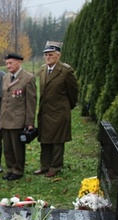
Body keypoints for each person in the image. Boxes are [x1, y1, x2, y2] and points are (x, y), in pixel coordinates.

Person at [34, 41, 79, 178]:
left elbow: (73, 91)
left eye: (51, 55)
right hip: (45, 111)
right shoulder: (42, 70)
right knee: (45, 140)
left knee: (57, 141)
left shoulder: (65, 71)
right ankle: (44, 165)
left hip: (59, 111)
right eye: (46, 55)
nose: (48, 57)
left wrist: (66, 106)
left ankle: (55, 166)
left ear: (58, 56)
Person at [0, 53, 37, 181]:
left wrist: (29, 122)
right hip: (5, 118)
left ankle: (18, 170)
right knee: (8, 147)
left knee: (17, 147)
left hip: (18, 119)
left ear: (19, 62)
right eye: (7, 63)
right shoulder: (5, 78)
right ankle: (10, 168)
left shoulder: (28, 78)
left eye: (11, 63)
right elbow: (4, 100)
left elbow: (31, 102)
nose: (8, 66)